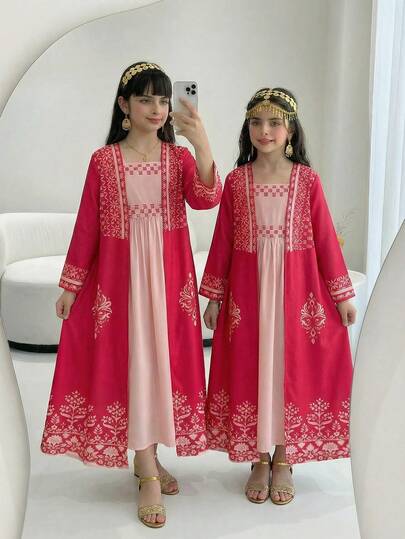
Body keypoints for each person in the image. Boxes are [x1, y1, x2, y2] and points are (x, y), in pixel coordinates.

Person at [41, 61, 222, 528]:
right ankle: (146, 470)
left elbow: (207, 198)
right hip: (120, 284)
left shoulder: (178, 159)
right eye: (145, 99)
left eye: (163, 100)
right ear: (124, 104)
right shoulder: (104, 161)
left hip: (169, 283)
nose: (157, 109)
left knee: (160, 366)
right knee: (133, 363)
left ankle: (150, 456)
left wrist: (200, 141)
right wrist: (71, 285)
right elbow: (87, 226)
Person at [200, 87, 356, 506]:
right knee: (253, 367)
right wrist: (213, 296)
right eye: (256, 122)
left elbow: (325, 240)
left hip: (297, 293)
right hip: (248, 297)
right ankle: (258, 456)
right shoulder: (237, 182)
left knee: (288, 368)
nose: (264, 131)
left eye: (274, 123)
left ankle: (284, 456)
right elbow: (223, 241)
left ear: (291, 130)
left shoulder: (307, 181)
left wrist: (341, 295)